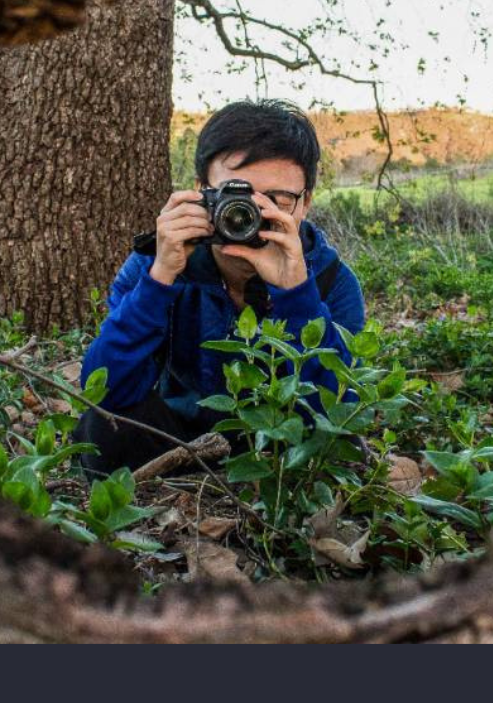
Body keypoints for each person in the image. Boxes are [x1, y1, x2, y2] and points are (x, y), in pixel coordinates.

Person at [74, 99, 366, 479]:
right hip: (175, 442)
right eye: (237, 196)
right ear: (201, 191)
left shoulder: (333, 281)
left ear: (305, 203)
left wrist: (297, 295)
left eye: (277, 200)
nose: (253, 214)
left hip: (277, 452)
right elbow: (103, 391)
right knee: (102, 430)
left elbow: (337, 410)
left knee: (341, 453)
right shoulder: (157, 263)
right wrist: (160, 279)